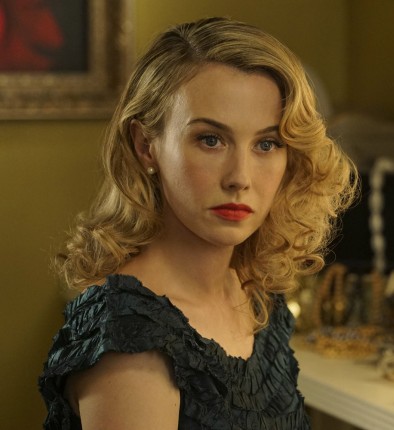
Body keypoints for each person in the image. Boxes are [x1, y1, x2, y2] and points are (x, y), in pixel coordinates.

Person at [38, 16, 357, 429]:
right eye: (211, 140)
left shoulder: (255, 296)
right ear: (146, 145)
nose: (240, 177)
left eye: (266, 143)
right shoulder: (129, 340)